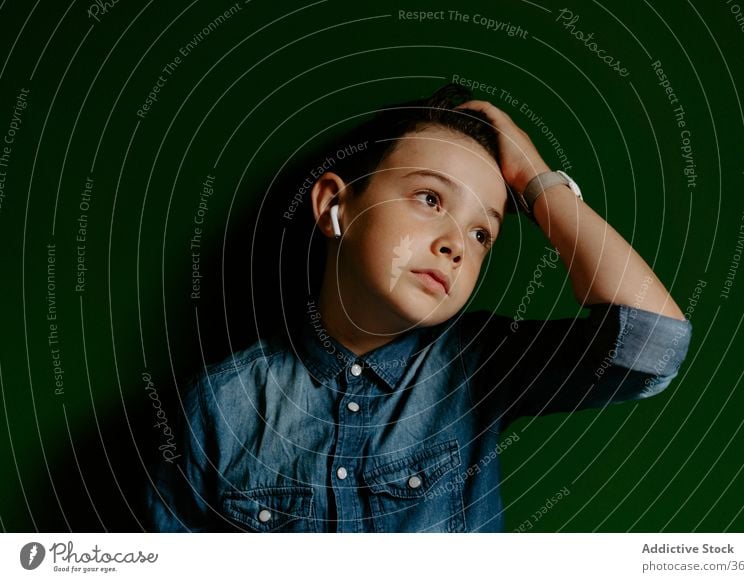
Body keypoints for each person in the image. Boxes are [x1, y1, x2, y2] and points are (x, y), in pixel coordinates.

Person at [145, 83, 692, 532]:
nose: (456, 243)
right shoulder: (222, 405)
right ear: (335, 205)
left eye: (482, 233)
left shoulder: (478, 363)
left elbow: (652, 344)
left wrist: (536, 182)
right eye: (430, 199)